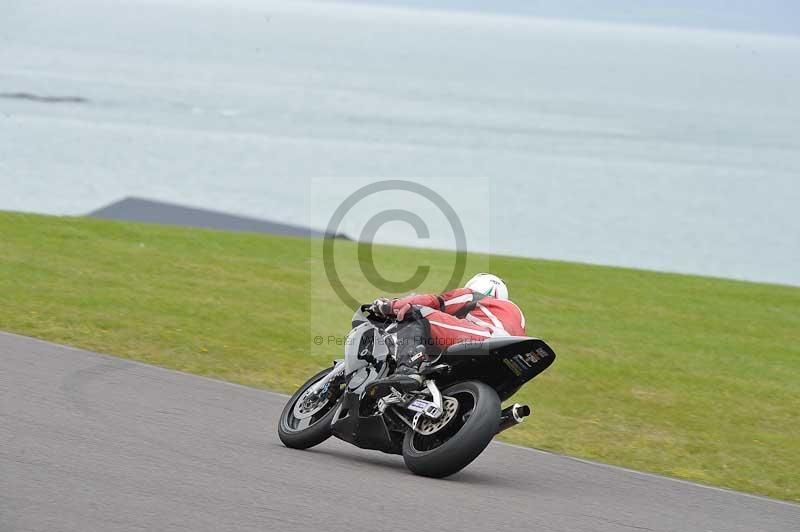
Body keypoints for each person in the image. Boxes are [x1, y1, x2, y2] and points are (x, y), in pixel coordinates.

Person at [367, 273, 526, 395]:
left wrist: (389, 306)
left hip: (486, 339)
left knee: (415, 312)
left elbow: (434, 302)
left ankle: (407, 371)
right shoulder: (517, 314)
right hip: (510, 366)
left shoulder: (473, 296)